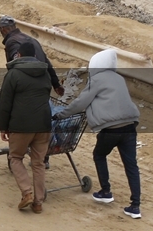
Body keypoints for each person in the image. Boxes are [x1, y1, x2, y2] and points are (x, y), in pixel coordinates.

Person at [54, 49, 141, 219]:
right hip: (130, 126)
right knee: (131, 165)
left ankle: (106, 192)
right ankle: (135, 206)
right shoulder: (119, 78)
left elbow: (81, 102)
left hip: (110, 128)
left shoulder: (96, 79)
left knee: (99, 155)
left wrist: (60, 115)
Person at [0, 42, 52, 214]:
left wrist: (3, 127)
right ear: (34, 56)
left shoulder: (13, 74)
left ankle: (27, 193)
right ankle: (38, 202)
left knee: (15, 157)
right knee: (38, 163)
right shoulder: (45, 73)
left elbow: (4, 103)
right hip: (43, 124)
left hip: (21, 124)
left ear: (19, 55)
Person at [0, 16, 64, 96]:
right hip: (44, 83)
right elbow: (47, 63)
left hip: (27, 86)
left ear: (3, 29)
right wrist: (56, 84)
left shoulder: (11, 41)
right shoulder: (32, 40)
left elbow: (17, 62)